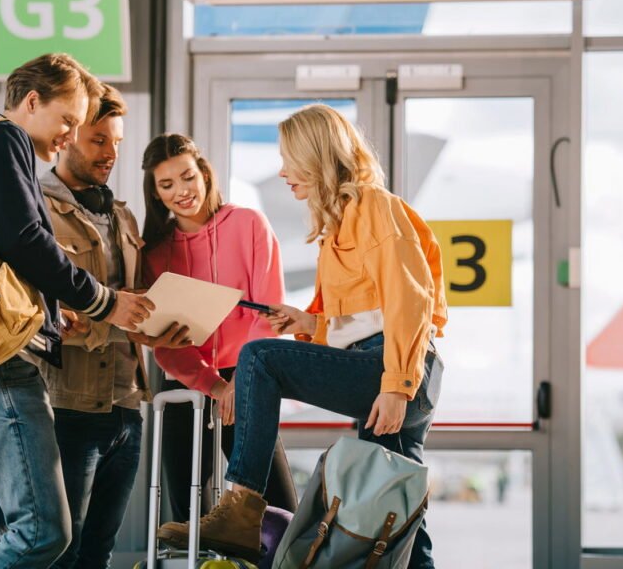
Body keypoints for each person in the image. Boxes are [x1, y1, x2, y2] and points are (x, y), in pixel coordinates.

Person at [156, 104, 447, 568]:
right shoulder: (338, 225)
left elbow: (410, 302)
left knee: (260, 358)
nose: (283, 171)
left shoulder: (374, 207)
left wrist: (396, 386)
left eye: (289, 158)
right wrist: (311, 324)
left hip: (397, 370)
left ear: (316, 156)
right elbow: (368, 316)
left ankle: (241, 509)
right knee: (392, 506)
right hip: (387, 364)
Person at [0, 54, 156, 568]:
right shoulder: (5, 139)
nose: (68, 136)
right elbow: (26, 239)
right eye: (68, 120)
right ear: (31, 102)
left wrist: (47, 315)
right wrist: (105, 302)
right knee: (42, 532)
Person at [38, 84, 190, 569]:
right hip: (68, 405)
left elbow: (131, 304)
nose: (111, 154)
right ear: (68, 137)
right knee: (60, 551)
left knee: (98, 554)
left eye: (117, 142)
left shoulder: (121, 214)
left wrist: (160, 325)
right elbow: (57, 315)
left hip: (126, 406)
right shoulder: (35, 206)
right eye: (99, 140)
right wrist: (123, 322)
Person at [140, 133, 299, 525]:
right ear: (156, 194)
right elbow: (166, 343)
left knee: (277, 508)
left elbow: (267, 314)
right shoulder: (155, 254)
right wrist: (213, 385)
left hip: (248, 379)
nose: (182, 191)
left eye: (188, 177)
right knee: (187, 517)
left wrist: (238, 382)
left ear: (205, 175)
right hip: (186, 384)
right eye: (167, 184)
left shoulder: (248, 225)